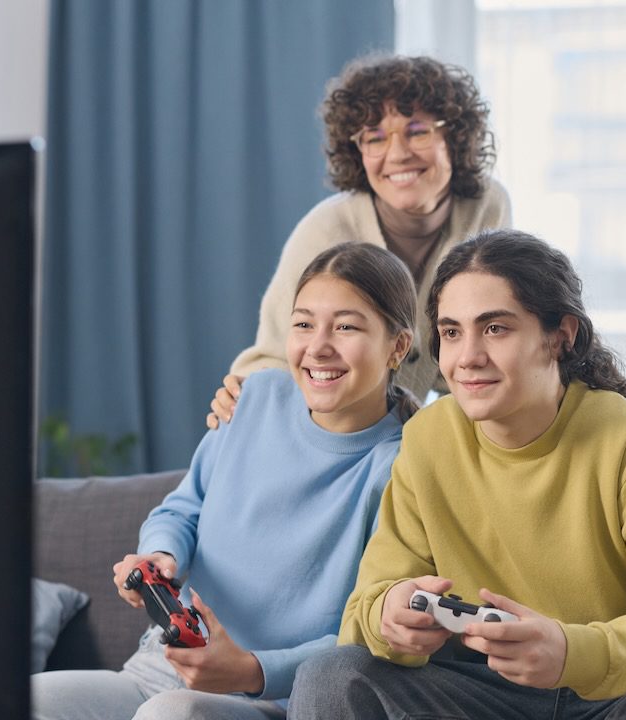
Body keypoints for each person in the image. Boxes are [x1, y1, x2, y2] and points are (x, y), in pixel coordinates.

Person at [288, 230, 626, 720]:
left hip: (607, 698)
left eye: (495, 329)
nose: (468, 357)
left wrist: (572, 651)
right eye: (452, 333)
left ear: (560, 337)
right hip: (476, 694)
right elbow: (361, 613)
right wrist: (390, 613)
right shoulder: (428, 439)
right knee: (329, 675)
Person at [32, 243, 418, 719]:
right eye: (303, 324)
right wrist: (161, 556)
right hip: (159, 669)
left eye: (345, 327)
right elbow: (182, 508)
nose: (318, 346)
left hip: (273, 696)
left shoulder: (400, 466)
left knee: (171, 715)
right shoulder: (254, 396)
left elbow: (370, 631)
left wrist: (252, 670)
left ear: (398, 346)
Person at [207, 54, 511, 430]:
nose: (397, 154)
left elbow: (479, 336)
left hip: (402, 430)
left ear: (455, 136)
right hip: (325, 427)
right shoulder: (326, 230)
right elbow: (276, 357)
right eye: (375, 138)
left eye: (417, 132)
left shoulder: (488, 207)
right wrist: (247, 396)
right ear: (357, 152)